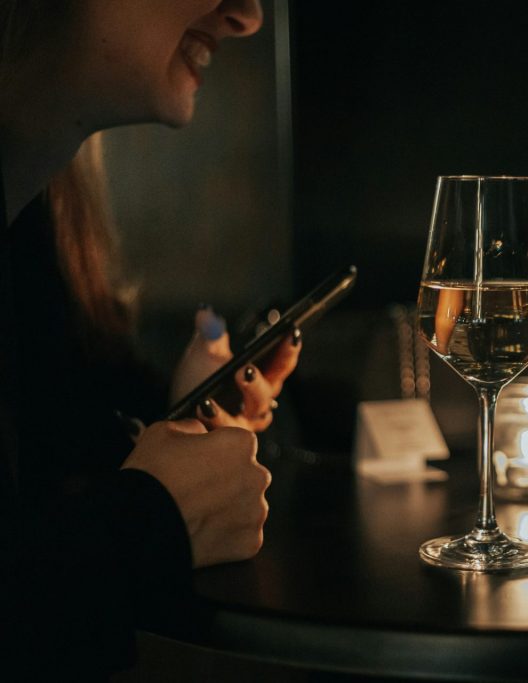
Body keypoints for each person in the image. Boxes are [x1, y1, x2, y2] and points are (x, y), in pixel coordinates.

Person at [0, 0, 302, 677]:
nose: (249, 15)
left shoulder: (38, 206)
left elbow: (49, 453)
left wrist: (189, 412)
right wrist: (154, 517)